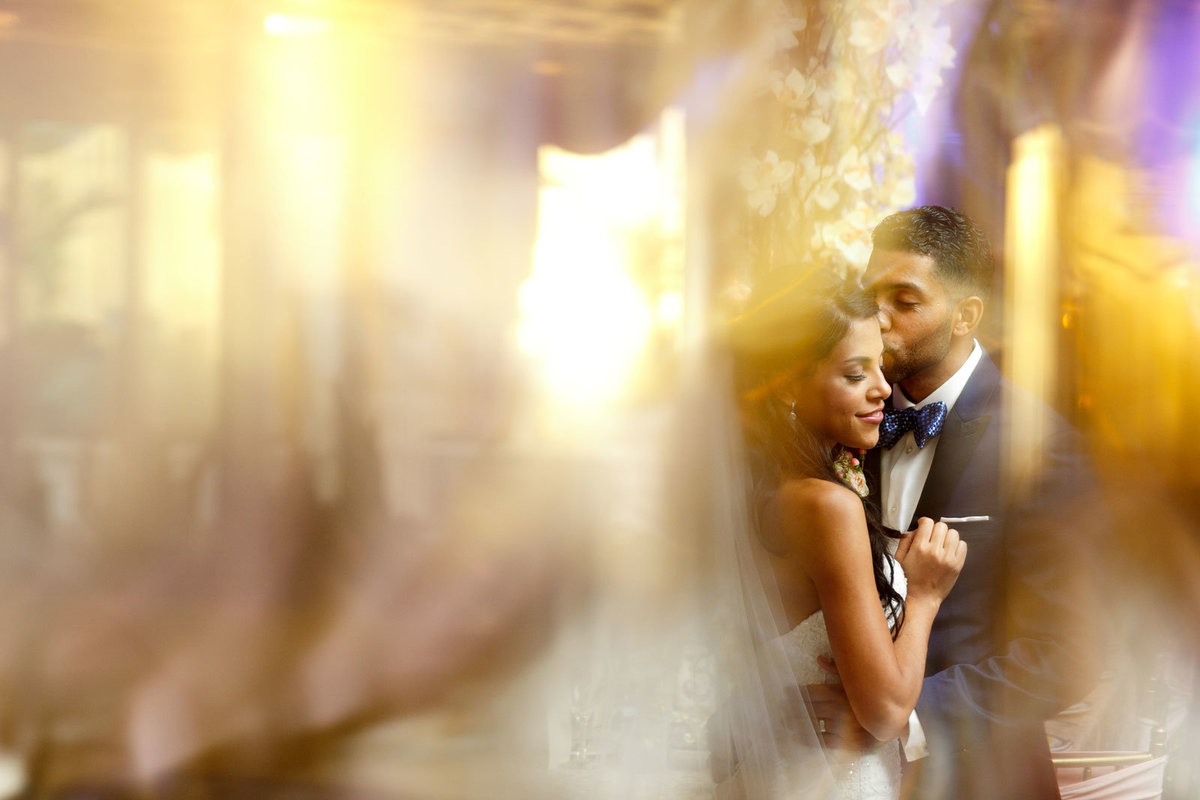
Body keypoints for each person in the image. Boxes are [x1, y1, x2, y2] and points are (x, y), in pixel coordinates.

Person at [809, 206, 1101, 800]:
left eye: (906, 302)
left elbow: (1067, 654)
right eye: (873, 298)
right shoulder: (848, 422)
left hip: (978, 775)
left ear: (966, 315)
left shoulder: (1040, 448)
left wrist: (901, 713)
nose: (881, 321)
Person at [711, 268, 967, 800]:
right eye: (855, 374)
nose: (881, 388)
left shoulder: (773, 492)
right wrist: (922, 595)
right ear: (787, 387)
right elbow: (887, 711)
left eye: (880, 365)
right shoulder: (828, 505)